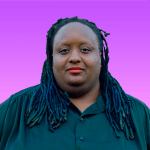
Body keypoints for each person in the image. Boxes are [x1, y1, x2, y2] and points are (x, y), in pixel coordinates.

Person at [0, 16, 149, 150]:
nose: (74, 58)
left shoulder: (138, 113)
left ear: (100, 57)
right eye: (64, 50)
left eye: (85, 49)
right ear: (52, 59)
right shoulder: (14, 109)